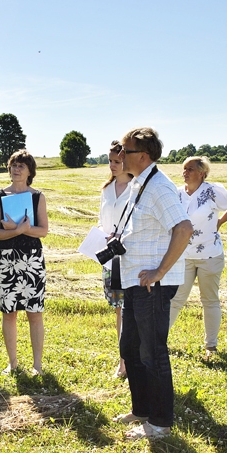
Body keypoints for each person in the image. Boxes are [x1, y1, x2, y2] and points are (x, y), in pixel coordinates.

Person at [113, 127, 193, 440]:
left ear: (143, 156)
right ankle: (142, 410)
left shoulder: (159, 186)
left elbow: (183, 229)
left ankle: (160, 423)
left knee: (152, 352)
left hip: (152, 286)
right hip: (135, 281)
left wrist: (159, 271)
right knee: (130, 348)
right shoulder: (139, 184)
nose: (119, 156)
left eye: (124, 150)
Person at [169, 156, 227, 357]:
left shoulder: (213, 192)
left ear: (202, 173)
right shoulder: (176, 194)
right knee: (176, 299)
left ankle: (210, 346)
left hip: (210, 255)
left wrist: (220, 221)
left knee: (209, 300)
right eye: (184, 169)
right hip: (183, 254)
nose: (185, 173)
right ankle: (160, 340)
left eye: (190, 169)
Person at [0, 149, 49, 376]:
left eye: (21, 166)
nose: (16, 169)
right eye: (13, 165)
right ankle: (12, 363)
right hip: (6, 260)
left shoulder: (38, 197)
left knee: (35, 313)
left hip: (32, 260)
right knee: (9, 312)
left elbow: (43, 230)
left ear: (30, 171)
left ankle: (37, 366)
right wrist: (16, 232)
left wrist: (24, 229)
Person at [98, 140, 133, 378]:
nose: (113, 165)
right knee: (119, 310)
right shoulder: (106, 190)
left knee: (133, 309)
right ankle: (123, 360)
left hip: (133, 256)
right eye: (110, 161)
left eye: (117, 161)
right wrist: (103, 235)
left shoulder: (137, 188)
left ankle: (134, 359)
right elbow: (102, 220)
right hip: (112, 258)